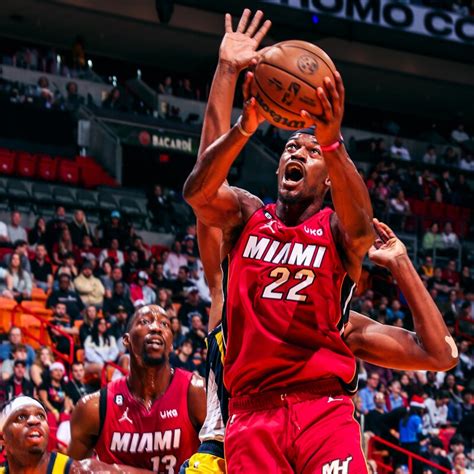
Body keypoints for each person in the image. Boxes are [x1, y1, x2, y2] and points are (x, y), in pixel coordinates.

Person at [68, 305, 206, 471]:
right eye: (145, 321)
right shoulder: (92, 408)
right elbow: (72, 470)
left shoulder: (196, 392)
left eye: (164, 324)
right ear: (126, 340)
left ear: (171, 343)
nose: (155, 327)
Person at [0, 396, 154, 473]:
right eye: (21, 417)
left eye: (41, 416)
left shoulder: (78, 470)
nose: (34, 421)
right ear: (2, 438)